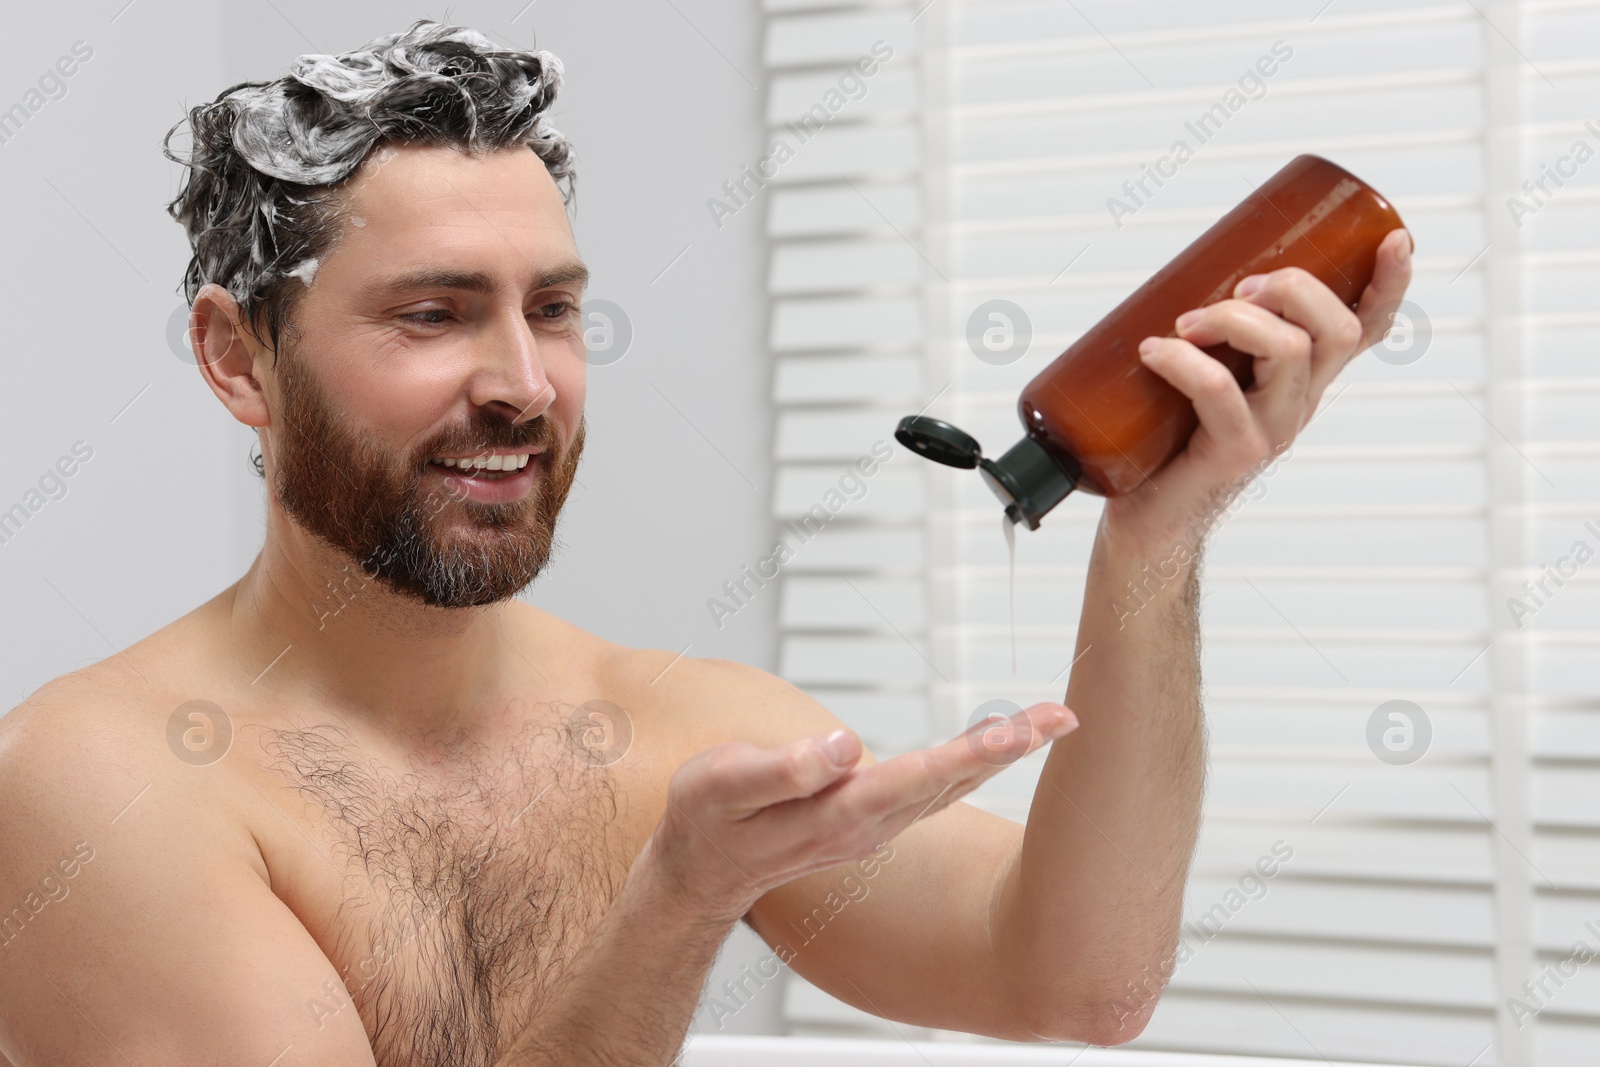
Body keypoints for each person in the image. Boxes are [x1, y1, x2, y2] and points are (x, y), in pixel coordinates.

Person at [0, 19, 1412, 1067]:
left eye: (550, 309)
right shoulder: (105, 783)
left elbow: (1069, 986)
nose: (524, 381)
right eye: (432, 314)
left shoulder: (670, 729)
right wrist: (678, 905)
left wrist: (1155, 545)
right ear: (240, 360)